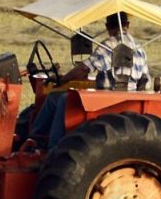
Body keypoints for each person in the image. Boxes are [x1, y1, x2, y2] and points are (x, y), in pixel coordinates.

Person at [32, 12, 151, 147]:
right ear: (127, 25)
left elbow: (84, 68)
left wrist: (62, 79)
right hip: (129, 98)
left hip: (108, 99)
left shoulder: (110, 44)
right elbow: (145, 81)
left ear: (107, 26)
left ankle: (43, 143)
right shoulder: (139, 48)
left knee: (59, 99)